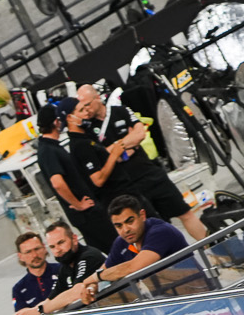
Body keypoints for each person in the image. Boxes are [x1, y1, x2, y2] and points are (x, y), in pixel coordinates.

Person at [76, 84, 205, 241]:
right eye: (82, 106)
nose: (86, 110)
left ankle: (216, 252)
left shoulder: (120, 111)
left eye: (88, 104)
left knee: (184, 212)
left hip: (149, 172)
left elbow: (139, 133)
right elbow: (103, 156)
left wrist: (117, 147)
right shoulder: (88, 132)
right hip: (127, 186)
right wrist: (125, 145)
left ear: (97, 98)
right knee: (153, 229)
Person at [34, 99, 117, 251]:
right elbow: (57, 183)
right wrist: (78, 204)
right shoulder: (48, 151)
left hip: (87, 212)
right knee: (115, 246)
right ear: (56, 122)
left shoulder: (51, 147)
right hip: (87, 214)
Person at [90, 195, 197, 296]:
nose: (126, 230)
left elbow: (132, 267)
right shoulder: (121, 242)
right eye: (119, 226)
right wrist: (91, 287)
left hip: (197, 291)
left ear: (142, 215)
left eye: (130, 221)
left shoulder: (160, 231)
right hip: (164, 300)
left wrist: (98, 277)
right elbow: (102, 270)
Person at [10, 232, 67, 315]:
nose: (35, 255)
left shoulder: (63, 270)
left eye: (37, 249)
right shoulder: (19, 289)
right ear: (20, 256)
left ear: (44, 248)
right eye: (28, 252)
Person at [46, 220, 104, 287]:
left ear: (74, 239)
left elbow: (79, 290)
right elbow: (53, 295)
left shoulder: (89, 256)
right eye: (52, 247)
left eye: (61, 243)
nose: (57, 250)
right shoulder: (65, 267)